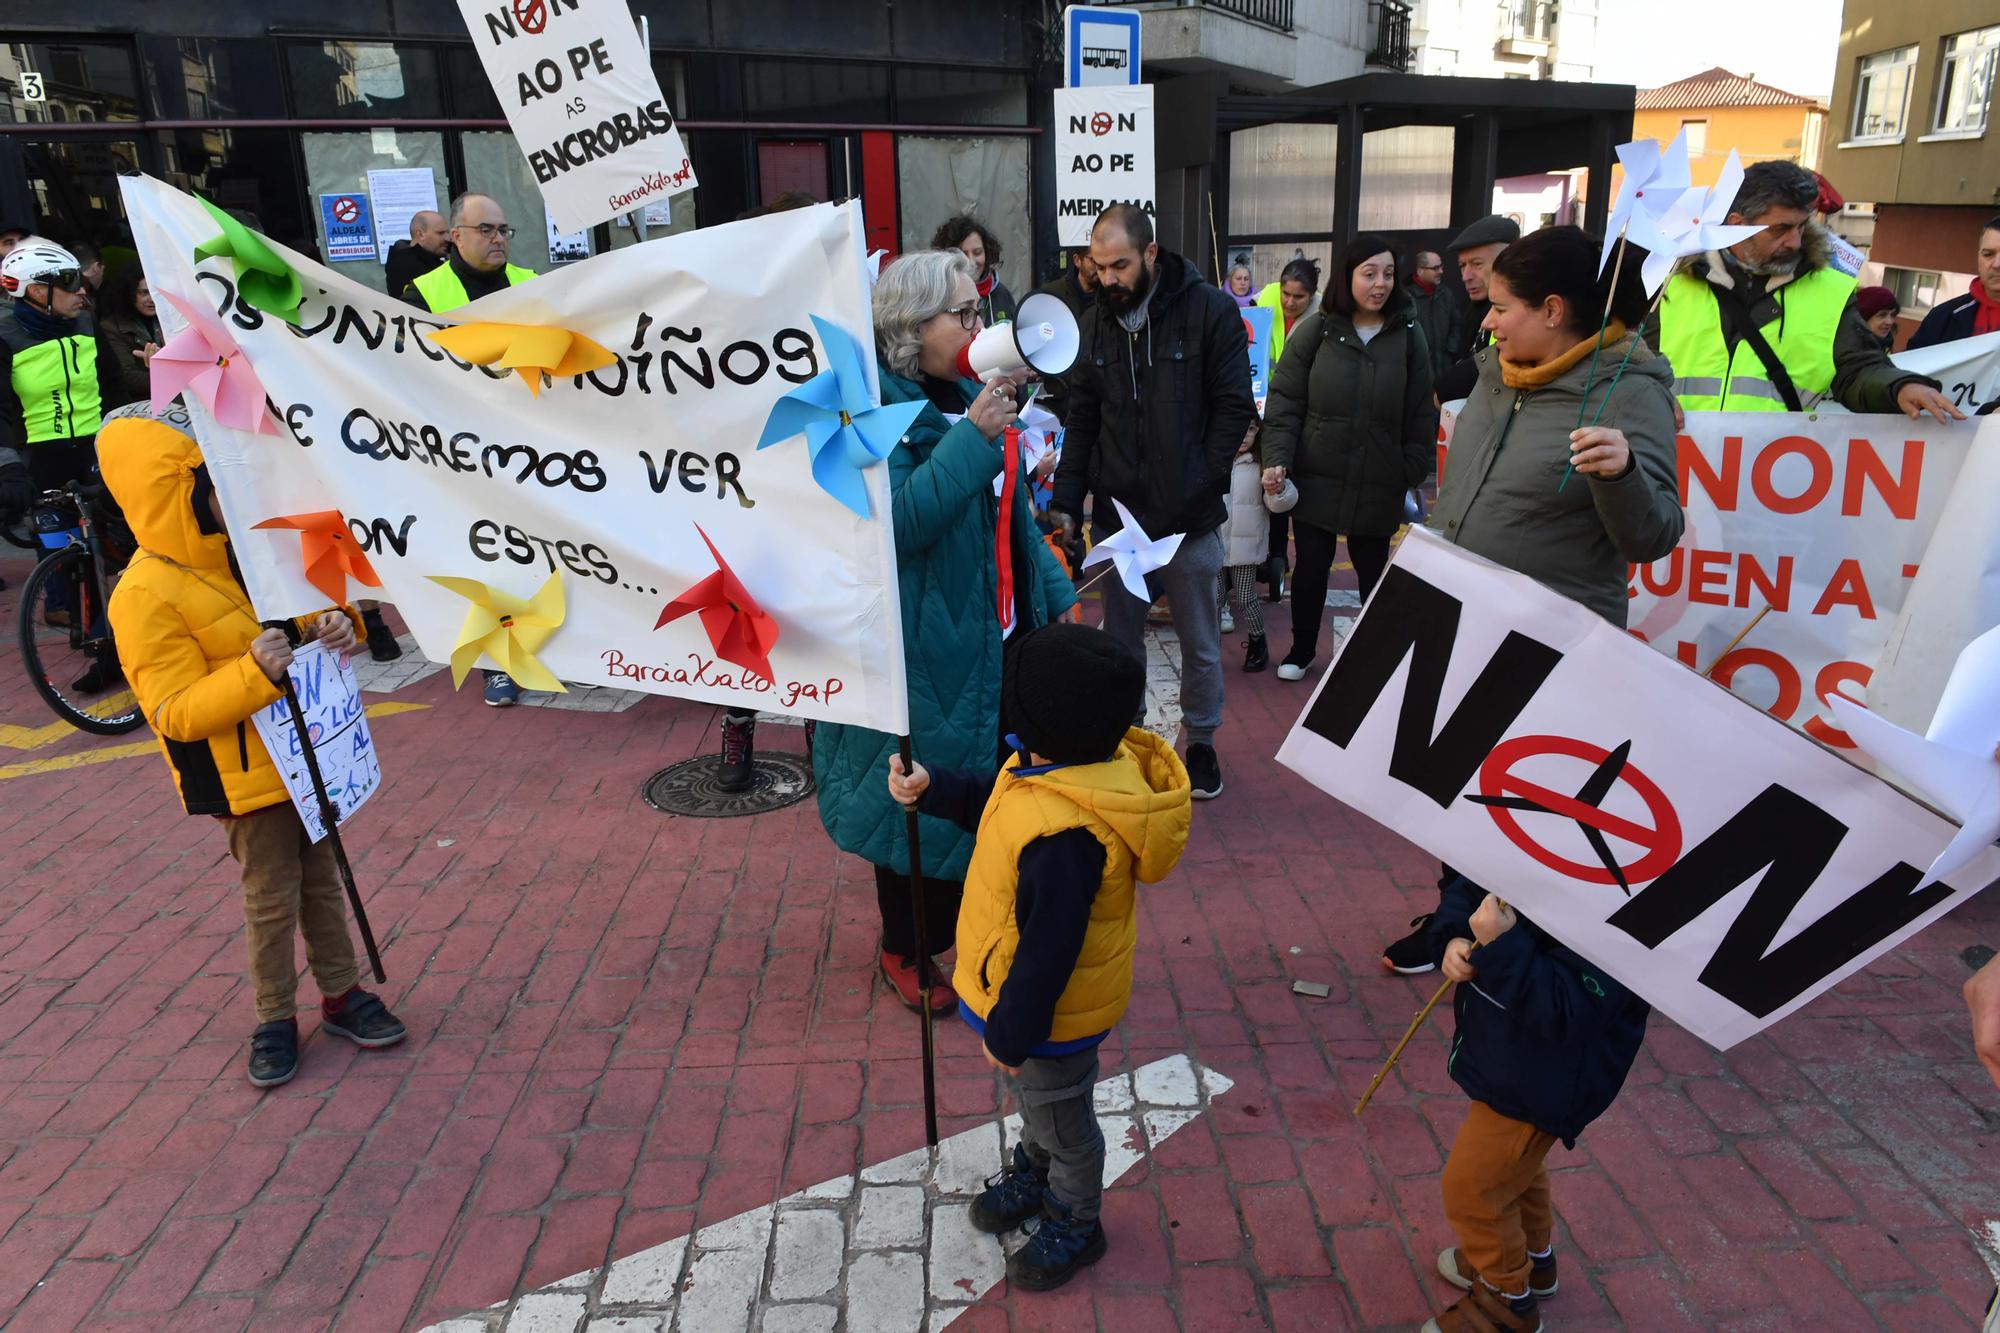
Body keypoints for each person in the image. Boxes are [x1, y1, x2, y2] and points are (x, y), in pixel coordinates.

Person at [1379, 225, 1684, 977]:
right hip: (1462, 625)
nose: (1486, 321)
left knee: (1523, 799)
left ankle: (1526, 946)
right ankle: (1457, 920)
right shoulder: (1496, 374)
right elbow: (1471, 495)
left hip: (1549, 646)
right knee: (1456, 792)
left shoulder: (1629, 390)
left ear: (1553, 310)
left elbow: (1654, 535)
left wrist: (1620, 473)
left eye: (1502, 306)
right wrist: (1431, 545)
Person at [100, 403, 407, 1088]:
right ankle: (274, 1017)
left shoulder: (255, 545)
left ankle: (342, 994)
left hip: (309, 757)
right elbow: (174, 711)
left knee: (323, 882)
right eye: (209, 481)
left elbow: (323, 612)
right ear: (171, 493)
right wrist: (255, 672)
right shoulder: (144, 593)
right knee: (270, 896)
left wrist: (339, 621)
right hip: (239, 779)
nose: (228, 490)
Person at [886, 620, 1190, 1292]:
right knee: (1043, 1104)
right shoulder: (1052, 767)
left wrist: (1012, 1031)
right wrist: (935, 787)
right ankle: (1037, 1160)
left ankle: (1076, 1218)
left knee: (1067, 1122)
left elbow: (1050, 953)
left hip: (1050, 1019)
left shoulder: (1068, 837)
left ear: (1039, 717)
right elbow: (995, 802)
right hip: (1029, 1014)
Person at [812, 249, 1076, 1014]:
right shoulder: (871, 411)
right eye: (961, 314)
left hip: (996, 631)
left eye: (979, 310)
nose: (978, 324)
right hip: (924, 640)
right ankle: (907, 945)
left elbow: (1011, 512)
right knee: (916, 794)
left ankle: (979, 921)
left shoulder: (969, 392)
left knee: (985, 787)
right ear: (908, 326)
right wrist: (974, 438)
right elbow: (897, 523)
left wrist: (1054, 592)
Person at [1049, 204, 1256, 801]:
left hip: (1189, 520)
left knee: (1199, 640)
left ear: (1151, 254)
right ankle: (1127, 736)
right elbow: (1082, 420)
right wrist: (1067, 500)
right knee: (1121, 641)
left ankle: (1201, 743)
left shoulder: (1209, 310)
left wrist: (1197, 486)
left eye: (1119, 265)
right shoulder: (1093, 323)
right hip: (1121, 522)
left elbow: (1232, 408)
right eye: (1097, 266)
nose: (1107, 278)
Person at [1420, 880, 1650, 1333]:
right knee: (1514, 1171)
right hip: (1506, 1057)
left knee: (1474, 1190)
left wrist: (1501, 943)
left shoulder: (1624, 913)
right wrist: (1452, 935)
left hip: (1543, 1078)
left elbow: (1569, 1008)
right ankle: (1528, 1260)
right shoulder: (1526, 853)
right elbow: (1466, 884)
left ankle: (1507, 1303)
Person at [1654, 159, 1961, 422]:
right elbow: (1624, 363)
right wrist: (1648, 395)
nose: (1795, 242)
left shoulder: (1831, 291)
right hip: (1672, 472)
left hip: (1770, 475)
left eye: (1801, 227)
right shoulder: (1667, 280)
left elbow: (1859, 368)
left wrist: (1900, 387)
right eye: (1781, 229)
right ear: (1736, 224)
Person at [1262, 235, 1438, 681]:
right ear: (1348, 277)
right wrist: (1278, 457)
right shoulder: (1317, 329)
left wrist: (1411, 466)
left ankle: (1377, 656)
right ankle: (1301, 651)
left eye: (1388, 274)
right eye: (1369, 274)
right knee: (1311, 569)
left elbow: (1421, 409)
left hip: (1379, 477)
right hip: (1317, 473)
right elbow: (1284, 400)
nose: (1380, 284)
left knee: (1374, 571)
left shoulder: (1408, 334)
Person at [405, 194, 540, 702]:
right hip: (463, 452)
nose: (498, 238)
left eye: (504, 228)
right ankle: (497, 662)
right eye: (485, 229)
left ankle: (552, 649)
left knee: (541, 554)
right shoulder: (423, 292)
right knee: (485, 558)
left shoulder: (533, 284)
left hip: (531, 447)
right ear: (455, 237)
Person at [0, 238, 122, 606]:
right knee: (56, 555)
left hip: (93, 447)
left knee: (118, 542)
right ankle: (62, 609)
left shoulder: (85, 322)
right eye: (69, 281)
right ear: (36, 290)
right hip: (39, 457)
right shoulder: (5, 336)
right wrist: (8, 469)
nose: (80, 290)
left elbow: (112, 384)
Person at [1254, 258, 1322, 603]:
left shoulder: (1324, 317)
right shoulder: (1262, 301)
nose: (1289, 301)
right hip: (1259, 406)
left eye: (1299, 296)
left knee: (1279, 484)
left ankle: (1276, 555)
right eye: (1286, 293)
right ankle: (1255, 555)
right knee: (1256, 483)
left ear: (1311, 295)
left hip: (1297, 411)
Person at [1433, 215, 1520, 403]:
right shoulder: (1473, 310)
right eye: (1462, 266)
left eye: (1477, 264)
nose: (1466, 276)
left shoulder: (1522, 319)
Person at [1027, 248, 1100, 429]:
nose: (1099, 267)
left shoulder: (1110, 296)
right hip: (1059, 402)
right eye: (1092, 260)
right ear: (1077, 260)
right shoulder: (1051, 294)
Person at [1218, 420, 1270, 672]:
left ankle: (1257, 642)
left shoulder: (1261, 465)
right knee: (1213, 599)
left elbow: (1279, 501)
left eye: (1251, 429)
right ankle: (1208, 648)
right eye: (1241, 426)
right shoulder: (1216, 458)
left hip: (1245, 546)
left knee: (1247, 598)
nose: (1244, 434)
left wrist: (1278, 490)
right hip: (1215, 541)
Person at [1907, 216, 2000, 350]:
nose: (1997, 264)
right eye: (1988, 254)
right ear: (1978, 258)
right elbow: (1910, 366)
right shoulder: (1943, 317)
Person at [95, 265, 161, 409]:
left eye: (155, 292)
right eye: (144, 293)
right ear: (129, 294)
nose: (151, 299)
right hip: (139, 408)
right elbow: (126, 375)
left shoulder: (173, 322)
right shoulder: (111, 327)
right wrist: (170, 379)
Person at [932, 216, 1017, 327]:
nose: (970, 262)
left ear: (987, 252)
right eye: (962, 254)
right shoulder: (937, 298)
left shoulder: (1002, 294)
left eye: (977, 252)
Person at [1405, 249, 1463, 379]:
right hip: (1420, 374)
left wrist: (1451, 349)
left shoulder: (1446, 295)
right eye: (1435, 268)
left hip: (1446, 369)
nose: (1441, 271)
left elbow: (1456, 324)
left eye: (1441, 266)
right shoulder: (1408, 299)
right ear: (1420, 271)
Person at [383, 209, 451, 304]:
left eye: (447, 233)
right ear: (420, 235)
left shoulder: (428, 258)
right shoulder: (407, 266)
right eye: (440, 233)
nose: (447, 238)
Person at [1856, 285, 1900, 352]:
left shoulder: (1886, 345)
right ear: (1863, 318)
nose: (1889, 322)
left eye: (1892, 315)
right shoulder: (1850, 352)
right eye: (1882, 315)